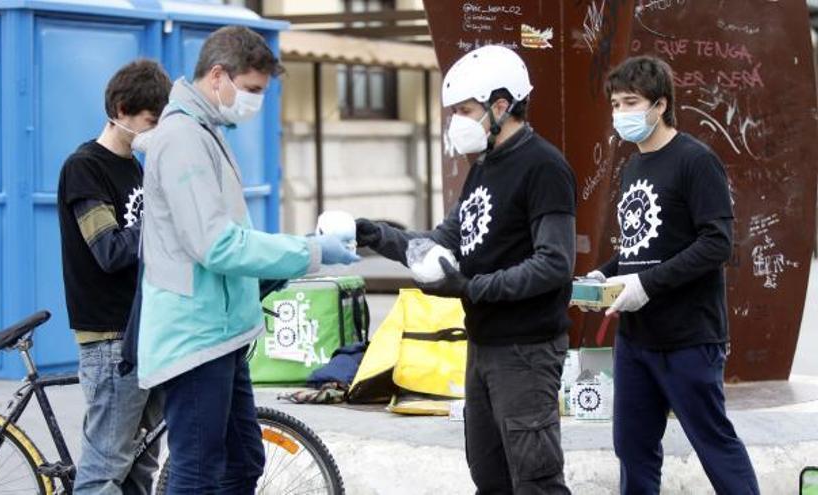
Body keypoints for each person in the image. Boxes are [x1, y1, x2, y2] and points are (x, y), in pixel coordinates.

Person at [135, 26, 359, 493]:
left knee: (243, 461)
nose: (255, 102)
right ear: (219, 76)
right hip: (195, 339)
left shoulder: (204, 132)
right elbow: (216, 244)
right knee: (198, 473)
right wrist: (310, 252)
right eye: (252, 89)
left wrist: (293, 250)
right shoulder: (182, 140)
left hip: (222, 334)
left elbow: (231, 236)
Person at [357, 45, 576, 494]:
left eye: (465, 110)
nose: (456, 120)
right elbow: (444, 241)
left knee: (535, 481)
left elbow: (554, 264)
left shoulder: (544, 167)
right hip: (483, 345)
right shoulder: (483, 169)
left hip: (527, 350)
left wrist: (470, 287)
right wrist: (377, 234)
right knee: (489, 477)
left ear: (501, 105)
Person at [579, 55, 759, 495]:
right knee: (633, 449)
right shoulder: (634, 166)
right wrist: (602, 278)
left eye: (632, 102)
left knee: (713, 443)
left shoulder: (696, 161)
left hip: (689, 337)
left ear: (660, 105)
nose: (622, 113)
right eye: (616, 104)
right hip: (636, 339)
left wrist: (647, 285)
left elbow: (716, 243)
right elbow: (638, 249)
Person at [56, 59, 171, 494]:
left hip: (143, 330)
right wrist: (167, 221)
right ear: (121, 110)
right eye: (151, 121)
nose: (156, 131)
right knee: (104, 470)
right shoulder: (84, 167)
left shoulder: (136, 166)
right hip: (109, 338)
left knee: (141, 467)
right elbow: (109, 250)